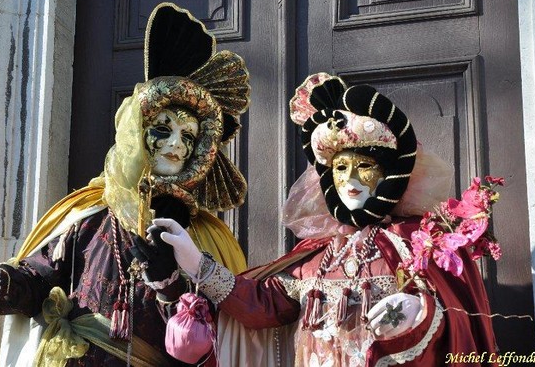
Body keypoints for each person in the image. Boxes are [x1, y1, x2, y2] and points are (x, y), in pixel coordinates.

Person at [0, 2, 250, 366]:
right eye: (163, 129)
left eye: (189, 137)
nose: (175, 145)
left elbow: (221, 340)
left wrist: (169, 284)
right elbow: (35, 281)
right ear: (136, 131)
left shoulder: (207, 241)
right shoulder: (90, 217)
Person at [152, 74, 498, 366]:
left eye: (364, 166)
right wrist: (197, 263)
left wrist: (418, 313)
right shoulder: (317, 257)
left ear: (389, 174)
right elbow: (264, 305)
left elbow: (460, 324)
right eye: (340, 168)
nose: (349, 180)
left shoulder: (417, 244)